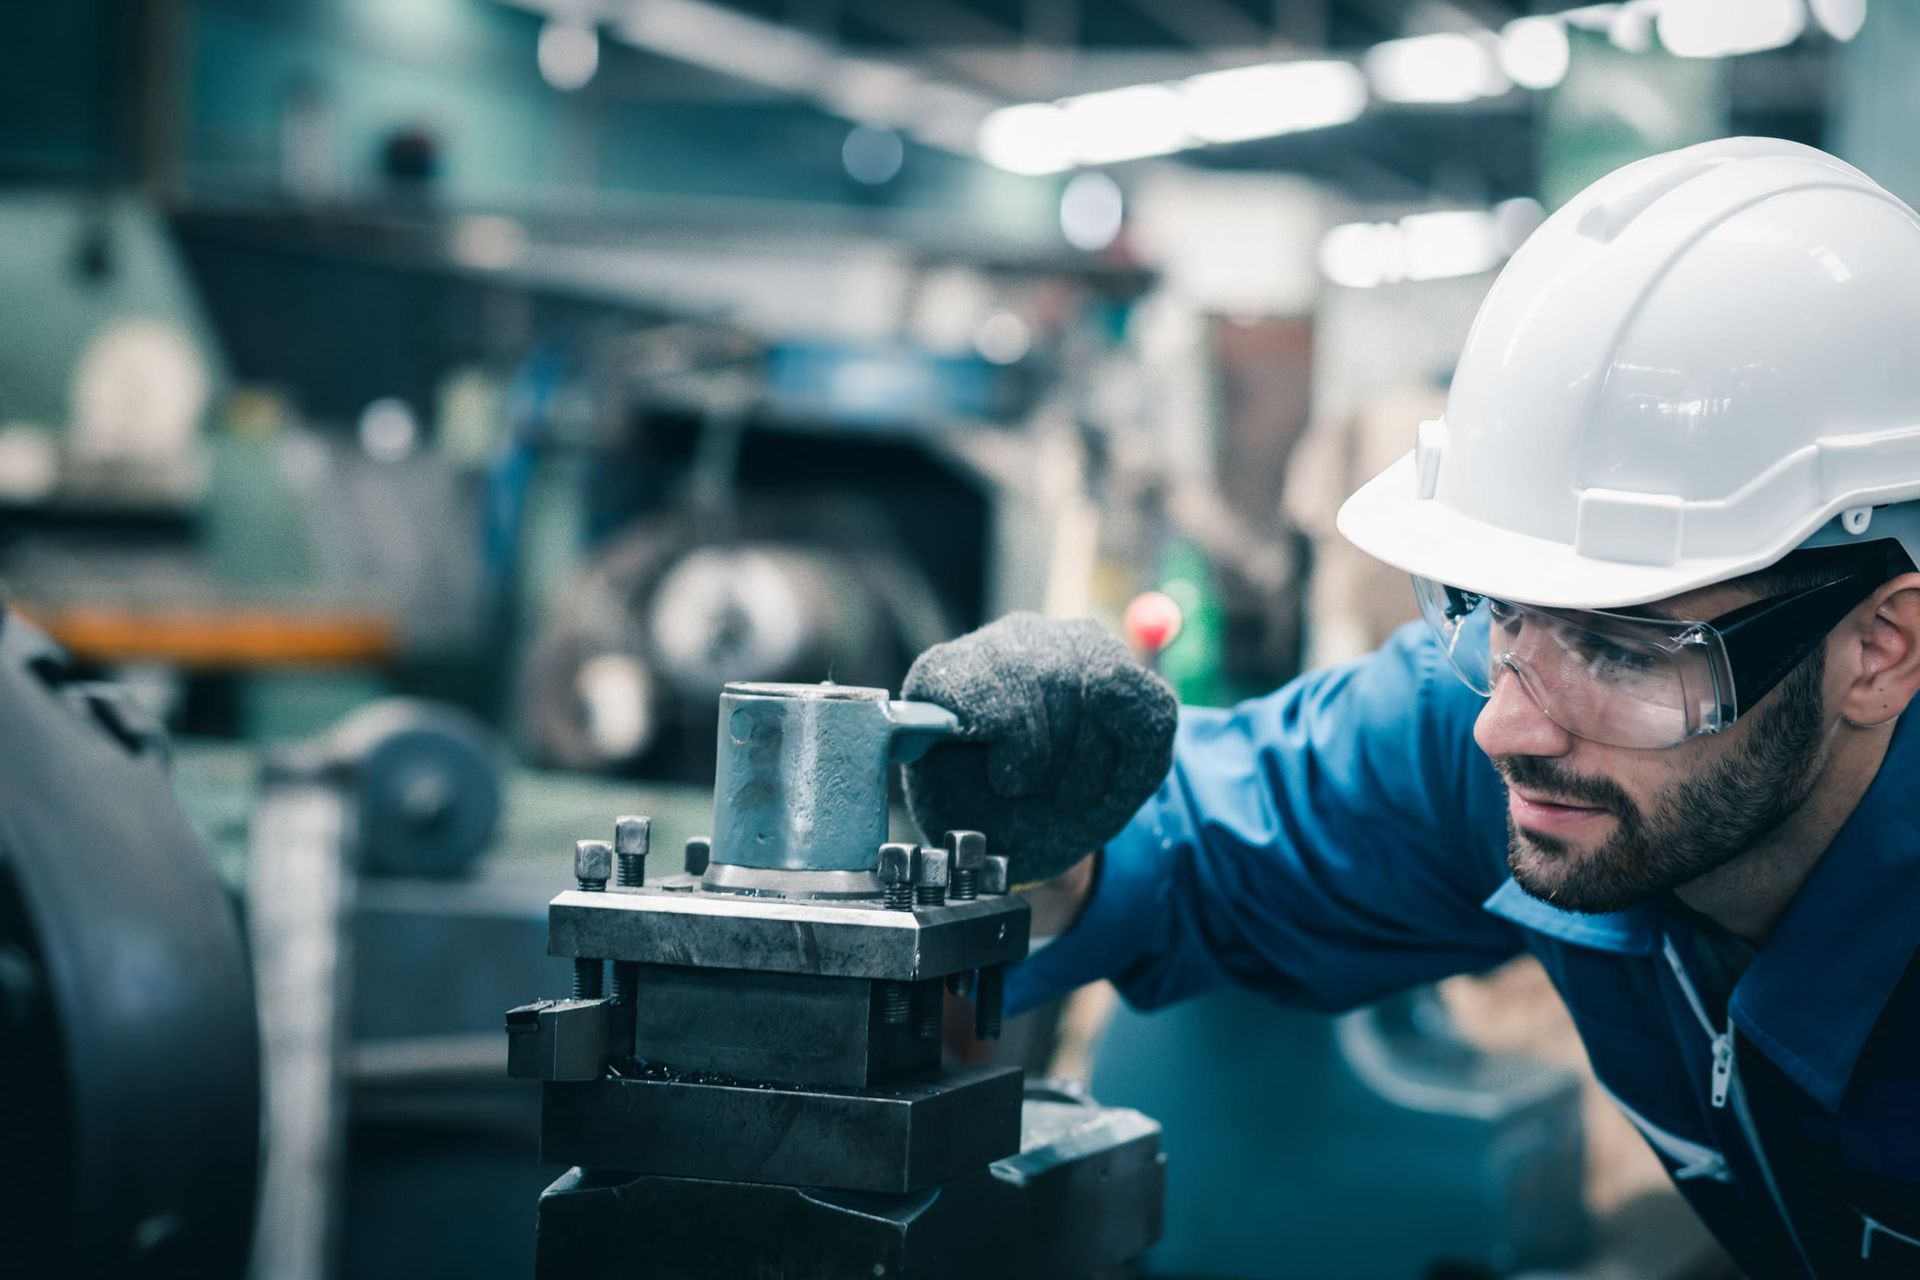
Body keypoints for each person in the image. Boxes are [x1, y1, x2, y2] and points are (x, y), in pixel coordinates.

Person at [901, 138, 1920, 1279]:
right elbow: (1204, 837)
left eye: (1624, 647)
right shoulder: (1515, 724)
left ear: (1880, 648)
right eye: (1496, 610)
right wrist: (1047, 830)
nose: (1506, 727)